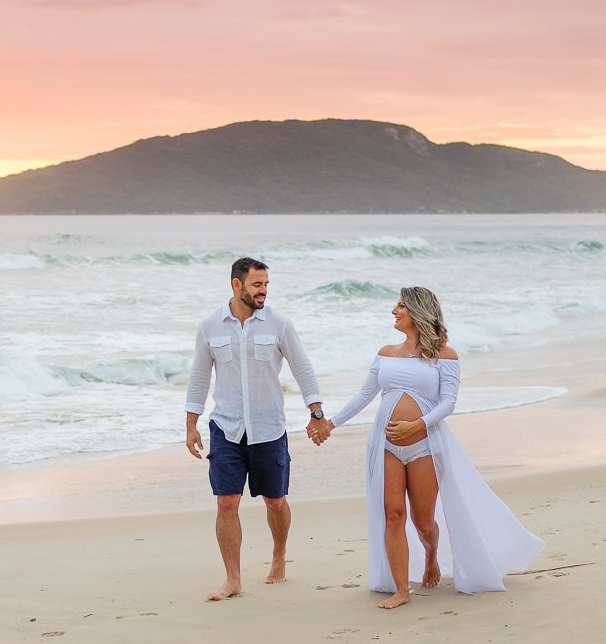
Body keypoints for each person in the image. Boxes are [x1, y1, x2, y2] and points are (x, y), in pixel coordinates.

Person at [308, 287, 545, 608]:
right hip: (386, 443)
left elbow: (448, 402)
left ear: (418, 311)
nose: (394, 310)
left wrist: (416, 426)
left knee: (422, 521)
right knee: (393, 515)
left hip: (424, 445)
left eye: (401, 305)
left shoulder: (445, 355)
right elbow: (365, 396)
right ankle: (401, 589)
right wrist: (330, 423)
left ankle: (432, 554)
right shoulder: (385, 353)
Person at [185, 257, 324, 600]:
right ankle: (233, 578)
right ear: (237, 285)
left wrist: (316, 412)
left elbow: (302, 368)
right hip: (226, 427)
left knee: (275, 501)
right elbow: (199, 377)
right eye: (256, 285)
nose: (263, 291)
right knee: (226, 501)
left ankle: (279, 555)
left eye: (265, 285)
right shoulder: (210, 326)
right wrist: (191, 424)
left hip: (268, 427)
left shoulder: (279, 324)